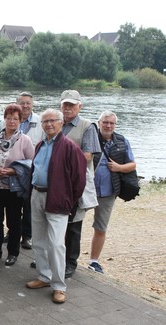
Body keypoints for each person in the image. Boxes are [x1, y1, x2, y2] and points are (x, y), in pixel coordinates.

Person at [26, 108, 86, 304]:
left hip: (57, 200)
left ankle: (59, 286)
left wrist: (68, 201)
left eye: (53, 121)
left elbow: (79, 180)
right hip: (37, 195)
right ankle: (44, 276)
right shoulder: (40, 144)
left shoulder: (70, 147)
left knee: (57, 245)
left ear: (61, 123)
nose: (49, 124)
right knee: (39, 241)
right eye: (45, 121)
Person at [0, 104, 34, 266]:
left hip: (14, 188)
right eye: (8, 118)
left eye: (15, 118)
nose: (11, 121)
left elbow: (31, 164)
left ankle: (13, 252)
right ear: (4, 119)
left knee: (14, 221)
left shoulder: (24, 140)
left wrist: (12, 171)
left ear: (20, 121)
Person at [89, 111, 136, 274]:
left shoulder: (122, 141)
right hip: (86, 189)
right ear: (99, 122)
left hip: (109, 191)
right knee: (73, 224)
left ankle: (94, 261)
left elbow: (132, 165)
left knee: (101, 227)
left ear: (115, 125)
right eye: (105, 122)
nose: (108, 126)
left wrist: (119, 168)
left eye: (112, 123)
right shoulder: (90, 138)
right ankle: (67, 256)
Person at [60, 90, 101, 278]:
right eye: (65, 105)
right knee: (56, 222)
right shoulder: (56, 123)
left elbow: (87, 156)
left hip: (76, 184)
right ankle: (56, 257)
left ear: (80, 106)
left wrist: (61, 160)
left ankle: (70, 262)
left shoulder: (87, 126)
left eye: (71, 105)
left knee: (74, 226)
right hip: (57, 184)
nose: (67, 108)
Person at [0, 92, 45, 250]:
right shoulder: (6, 122)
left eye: (28, 103)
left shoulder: (39, 122)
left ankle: (27, 236)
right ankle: (12, 234)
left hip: (30, 171)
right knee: (14, 211)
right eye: (22, 103)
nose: (25, 106)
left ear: (32, 104)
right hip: (8, 177)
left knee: (28, 206)